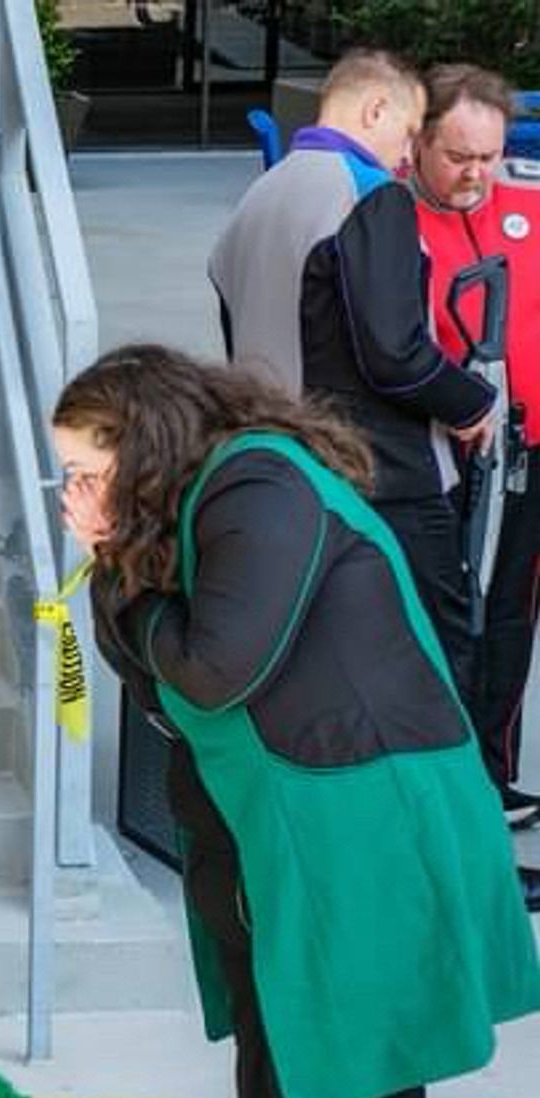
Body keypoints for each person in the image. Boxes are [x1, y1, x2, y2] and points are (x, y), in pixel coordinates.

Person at [52, 344, 540, 1098]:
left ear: (148, 448)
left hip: (363, 831)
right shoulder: (197, 512)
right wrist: (128, 577)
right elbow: (156, 672)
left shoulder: (255, 487)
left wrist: (119, 567)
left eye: (87, 471)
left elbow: (210, 670)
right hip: (289, 834)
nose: (76, 497)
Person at [209, 49, 497, 715]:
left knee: (324, 666)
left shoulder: (260, 196)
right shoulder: (369, 193)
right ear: (375, 110)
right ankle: (449, 815)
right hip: (382, 473)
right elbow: (395, 351)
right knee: (433, 655)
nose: (405, 156)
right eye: (408, 132)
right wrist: (471, 402)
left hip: (279, 470)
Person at [413, 65, 540, 842]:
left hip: (533, 453)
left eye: (487, 156)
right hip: (451, 458)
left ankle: (492, 775)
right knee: (460, 618)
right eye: (459, 155)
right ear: (422, 142)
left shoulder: (528, 209)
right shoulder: (391, 220)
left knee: (511, 623)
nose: (474, 174)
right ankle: (456, 782)